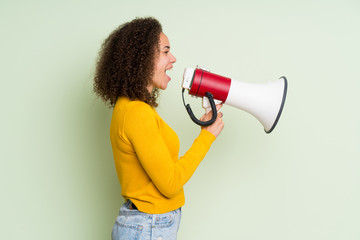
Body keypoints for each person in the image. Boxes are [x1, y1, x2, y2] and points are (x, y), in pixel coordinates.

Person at [93, 17, 224, 240]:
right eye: (165, 52)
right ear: (141, 59)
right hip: (149, 226)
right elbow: (170, 184)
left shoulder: (132, 108)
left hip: (147, 225)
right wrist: (206, 137)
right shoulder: (136, 113)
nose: (173, 59)